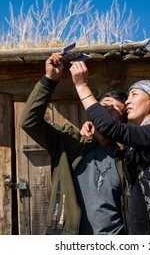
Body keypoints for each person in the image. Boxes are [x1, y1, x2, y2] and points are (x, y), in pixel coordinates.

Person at [69, 60, 150, 235]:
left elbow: (111, 127)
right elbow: (113, 131)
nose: (128, 101)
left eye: (134, 94)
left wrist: (82, 86)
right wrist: (92, 127)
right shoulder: (132, 146)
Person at [20, 52, 128, 235]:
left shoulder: (124, 157)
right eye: (104, 103)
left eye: (115, 108)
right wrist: (50, 79)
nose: (107, 109)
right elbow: (29, 122)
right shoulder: (68, 141)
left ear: (122, 122)